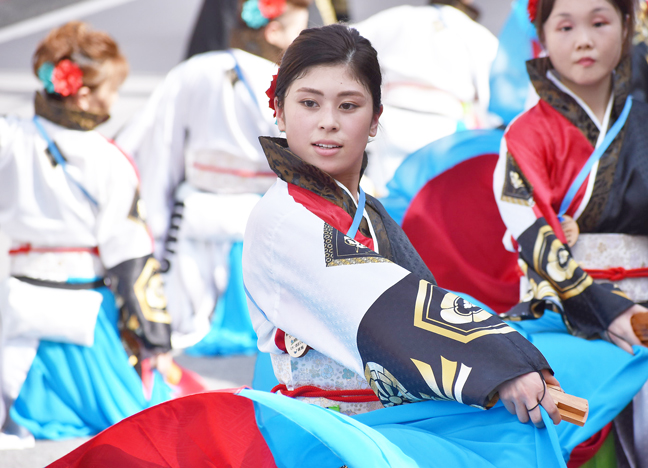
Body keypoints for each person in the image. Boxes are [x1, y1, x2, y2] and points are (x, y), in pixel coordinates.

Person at [50, 24, 581, 468]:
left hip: (382, 419)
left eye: (348, 105)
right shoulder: (283, 219)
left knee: (520, 433)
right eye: (309, 102)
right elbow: (389, 310)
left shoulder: (365, 211)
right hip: (324, 433)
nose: (328, 121)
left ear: (375, 121)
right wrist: (498, 362)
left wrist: (510, 351)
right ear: (279, 112)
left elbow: (419, 296)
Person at [493, 0, 648, 465]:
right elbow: (536, 239)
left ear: (628, 26)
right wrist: (606, 310)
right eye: (565, 26)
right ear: (541, 36)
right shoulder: (524, 135)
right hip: (565, 316)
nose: (583, 39)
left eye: (600, 22)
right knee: (572, 440)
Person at [0, 22, 179, 449]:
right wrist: (155, 339)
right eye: (112, 90)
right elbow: (132, 256)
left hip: (18, 295)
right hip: (86, 308)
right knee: (137, 414)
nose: (114, 101)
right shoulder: (109, 159)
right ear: (84, 94)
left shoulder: (9, 138)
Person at [116, 0, 311, 353]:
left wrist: (154, 234)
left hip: (194, 217)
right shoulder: (289, 83)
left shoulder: (193, 72)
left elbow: (157, 148)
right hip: (265, 219)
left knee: (189, 317)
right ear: (274, 31)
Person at [352, 0, 499, 197]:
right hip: (444, 130)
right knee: (433, 204)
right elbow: (494, 98)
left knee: (385, 196)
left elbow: (344, 46)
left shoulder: (397, 17)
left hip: (393, 121)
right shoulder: (476, 33)